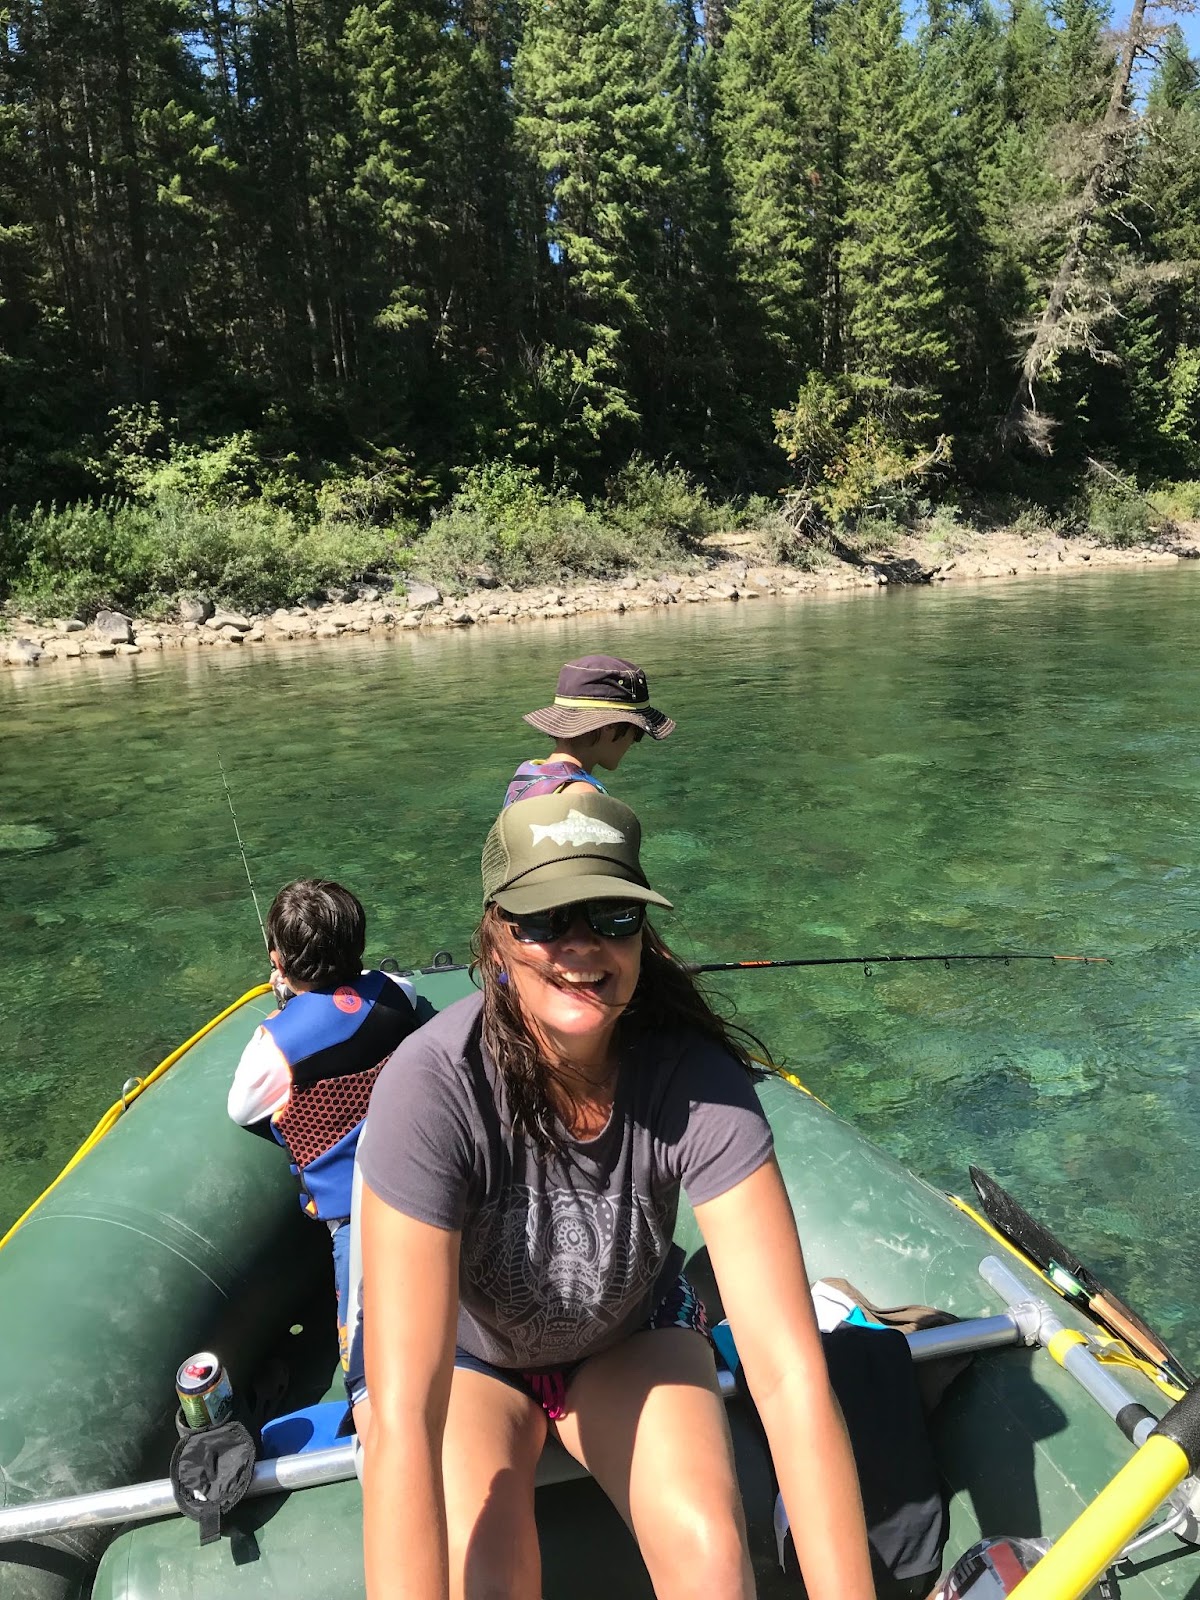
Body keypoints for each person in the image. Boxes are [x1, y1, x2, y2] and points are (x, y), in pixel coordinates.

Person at [349, 789, 874, 1600]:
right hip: (470, 1357)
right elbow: (408, 1421)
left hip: (628, 1332)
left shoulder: (696, 1080)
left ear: (643, 930)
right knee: (486, 1580)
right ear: (497, 931)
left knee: (711, 1559)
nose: (581, 946)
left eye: (611, 916)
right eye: (545, 919)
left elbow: (789, 1374)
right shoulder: (432, 1088)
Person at [227, 878, 420, 1384]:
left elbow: (241, 1107)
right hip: (426, 1180)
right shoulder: (396, 993)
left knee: (363, 1354)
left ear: (278, 960)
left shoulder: (274, 1045)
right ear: (358, 942)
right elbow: (392, 994)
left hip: (354, 1217)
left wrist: (282, 1011)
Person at [503, 653, 675, 807]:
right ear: (610, 726)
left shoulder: (527, 772)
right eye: (637, 733)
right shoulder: (582, 796)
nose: (634, 742)